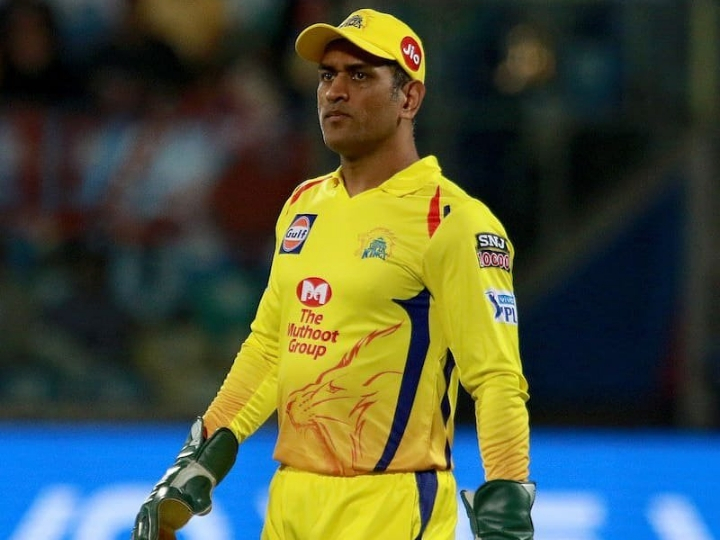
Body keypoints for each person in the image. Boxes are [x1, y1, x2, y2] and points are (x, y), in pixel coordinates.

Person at [131, 8, 535, 540]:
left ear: (409, 98)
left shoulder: (451, 220)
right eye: (328, 75)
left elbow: (496, 377)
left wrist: (506, 503)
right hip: (290, 500)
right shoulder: (304, 205)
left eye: (360, 76)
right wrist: (197, 464)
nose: (335, 92)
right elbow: (270, 348)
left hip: (390, 505)